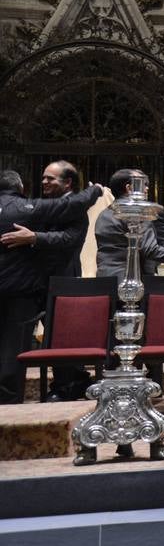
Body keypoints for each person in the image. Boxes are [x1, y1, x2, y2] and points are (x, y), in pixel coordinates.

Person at [0, 171, 102, 404]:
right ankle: (10, 398)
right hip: (26, 283)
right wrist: (94, 190)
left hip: (59, 279)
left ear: (67, 183)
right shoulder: (30, 207)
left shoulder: (49, 208)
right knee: (13, 344)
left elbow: (69, 239)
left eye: (51, 178)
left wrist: (34, 237)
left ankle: (69, 383)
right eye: (43, 177)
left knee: (62, 335)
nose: (45, 182)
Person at [94, 169, 164, 279]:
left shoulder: (103, 215)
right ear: (129, 188)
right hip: (132, 280)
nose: (147, 188)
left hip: (104, 279)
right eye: (143, 184)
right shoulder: (137, 213)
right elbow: (150, 250)